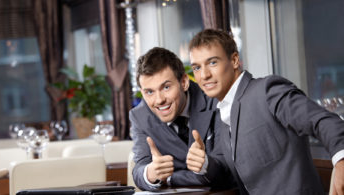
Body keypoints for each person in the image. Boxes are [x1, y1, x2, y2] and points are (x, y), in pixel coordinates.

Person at [186, 29, 344, 195]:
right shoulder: (224, 114)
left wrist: (341, 161)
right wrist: (204, 163)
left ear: (234, 60)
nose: (204, 75)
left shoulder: (267, 90)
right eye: (196, 67)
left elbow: (323, 121)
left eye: (212, 63)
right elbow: (226, 167)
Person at [130, 47, 234, 191]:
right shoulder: (140, 116)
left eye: (166, 87)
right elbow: (139, 171)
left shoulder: (216, 101)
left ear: (184, 82)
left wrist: (171, 178)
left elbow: (226, 169)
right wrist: (151, 173)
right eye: (149, 92)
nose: (159, 100)